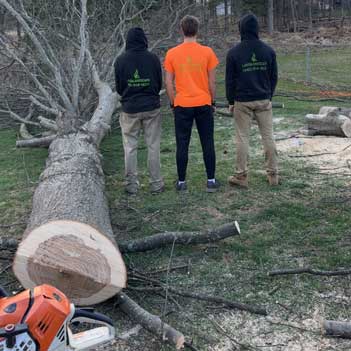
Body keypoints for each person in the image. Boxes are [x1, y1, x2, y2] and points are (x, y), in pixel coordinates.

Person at [164, 15, 220, 192]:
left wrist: (173, 103)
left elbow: (168, 83)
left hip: (182, 104)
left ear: (181, 30)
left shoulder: (172, 53)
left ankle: (181, 183)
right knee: (207, 142)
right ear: (197, 30)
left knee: (182, 143)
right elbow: (212, 82)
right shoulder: (207, 52)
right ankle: (211, 180)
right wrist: (212, 101)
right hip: (203, 102)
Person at [225, 13, 279, 188]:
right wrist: (269, 95)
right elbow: (274, 77)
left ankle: (241, 176)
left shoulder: (234, 53)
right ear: (257, 29)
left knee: (242, 138)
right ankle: (273, 175)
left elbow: (230, 80)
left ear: (241, 30)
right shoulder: (268, 51)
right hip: (263, 99)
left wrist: (230, 101)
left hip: (242, 101)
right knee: (268, 137)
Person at [114, 27, 164, 195]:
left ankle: (131, 185)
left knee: (129, 147)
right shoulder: (153, 58)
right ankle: (156, 184)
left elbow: (119, 87)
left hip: (130, 109)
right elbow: (158, 83)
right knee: (153, 146)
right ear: (144, 40)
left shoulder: (120, 60)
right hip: (151, 107)